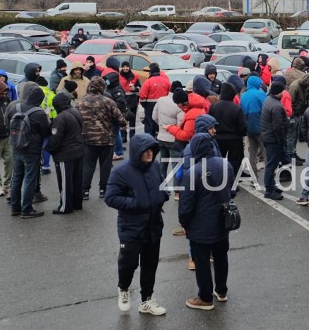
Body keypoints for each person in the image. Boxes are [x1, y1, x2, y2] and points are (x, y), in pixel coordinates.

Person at [104, 134, 169, 316]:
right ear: (136, 151)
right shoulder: (121, 172)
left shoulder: (155, 166)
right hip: (131, 227)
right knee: (128, 263)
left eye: (152, 150)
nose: (149, 153)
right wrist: (137, 204)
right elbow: (110, 198)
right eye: (145, 150)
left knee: (150, 264)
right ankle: (123, 288)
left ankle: (146, 300)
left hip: (153, 224)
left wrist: (163, 194)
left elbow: (162, 183)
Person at [179, 132, 235, 310]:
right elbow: (232, 191)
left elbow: (186, 205)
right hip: (223, 221)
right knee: (221, 257)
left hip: (200, 224)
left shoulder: (192, 172)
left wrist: (184, 223)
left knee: (202, 262)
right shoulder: (225, 164)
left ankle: (205, 298)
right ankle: (222, 291)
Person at [5, 86, 51, 218]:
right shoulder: (39, 113)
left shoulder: (15, 108)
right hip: (32, 149)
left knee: (16, 177)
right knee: (30, 178)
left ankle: (15, 207)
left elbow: (7, 124)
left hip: (16, 146)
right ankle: (27, 209)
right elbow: (45, 131)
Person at [79, 77, 128, 200]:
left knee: (88, 166)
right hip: (106, 139)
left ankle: (84, 191)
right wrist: (124, 123)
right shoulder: (108, 101)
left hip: (87, 139)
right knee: (105, 166)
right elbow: (120, 120)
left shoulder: (81, 102)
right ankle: (103, 190)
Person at [46, 92, 84, 214]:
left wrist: (49, 149)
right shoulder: (75, 112)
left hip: (65, 154)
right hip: (78, 150)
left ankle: (65, 207)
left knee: (65, 182)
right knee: (77, 180)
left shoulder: (60, 118)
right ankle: (77, 204)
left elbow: (55, 138)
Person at [209, 83, 247, 176]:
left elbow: (209, 121)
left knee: (218, 160)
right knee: (235, 161)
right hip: (234, 139)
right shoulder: (236, 108)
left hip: (218, 138)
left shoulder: (213, 106)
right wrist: (241, 134)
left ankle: (219, 178)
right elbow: (243, 126)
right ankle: (233, 179)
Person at [260, 81, 288, 200]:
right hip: (273, 139)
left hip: (267, 136)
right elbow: (278, 127)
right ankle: (269, 190)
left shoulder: (268, 100)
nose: (284, 92)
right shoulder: (276, 106)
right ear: (278, 92)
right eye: (283, 91)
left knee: (271, 164)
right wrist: (281, 141)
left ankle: (271, 185)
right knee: (271, 165)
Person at [153, 82, 185, 178]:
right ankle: (176, 187)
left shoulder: (160, 100)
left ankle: (161, 184)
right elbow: (180, 123)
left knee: (162, 164)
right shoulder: (179, 104)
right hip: (174, 139)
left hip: (161, 137)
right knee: (176, 167)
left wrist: (162, 126)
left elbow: (154, 117)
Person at [240, 74, 266, 175]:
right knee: (266, 152)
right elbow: (266, 109)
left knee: (252, 153)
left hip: (249, 129)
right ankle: (269, 177)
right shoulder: (260, 94)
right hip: (261, 127)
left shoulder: (243, 96)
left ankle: (253, 175)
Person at [287, 72, 309, 161]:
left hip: (298, 113)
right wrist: (293, 113)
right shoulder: (295, 86)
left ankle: (293, 153)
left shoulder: (303, 86)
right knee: (291, 136)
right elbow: (290, 101)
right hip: (293, 114)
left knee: (295, 135)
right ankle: (290, 155)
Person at [105, 72, 132, 161]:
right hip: (111, 114)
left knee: (116, 133)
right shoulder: (110, 88)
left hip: (115, 114)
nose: (107, 82)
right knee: (115, 133)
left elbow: (121, 102)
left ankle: (118, 152)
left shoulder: (117, 89)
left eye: (108, 80)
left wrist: (110, 107)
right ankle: (116, 151)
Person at [140, 63, 171, 138]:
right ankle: (159, 138)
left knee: (149, 123)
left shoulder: (148, 81)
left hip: (150, 106)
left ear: (150, 72)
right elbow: (170, 93)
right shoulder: (166, 81)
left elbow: (142, 95)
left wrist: (145, 105)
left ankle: (149, 139)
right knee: (160, 122)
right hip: (163, 105)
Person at [119, 61, 141, 141]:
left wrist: (135, 89)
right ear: (122, 67)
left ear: (129, 67)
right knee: (122, 119)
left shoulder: (135, 76)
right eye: (124, 67)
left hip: (132, 101)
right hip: (122, 100)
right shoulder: (118, 76)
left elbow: (139, 87)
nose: (125, 68)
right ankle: (123, 136)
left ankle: (132, 137)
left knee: (132, 120)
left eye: (127, 67)